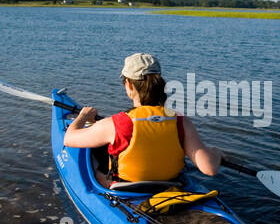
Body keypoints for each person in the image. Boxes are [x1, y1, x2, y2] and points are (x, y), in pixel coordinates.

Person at [63, 53, 222, 185]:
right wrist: (216, 152)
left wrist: (83, 116)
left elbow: (69, 138)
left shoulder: (115, 124)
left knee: (93, 159)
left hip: (124, 188)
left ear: (129, 85)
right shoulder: (181, 121)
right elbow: (210, 168)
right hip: (171, 185)